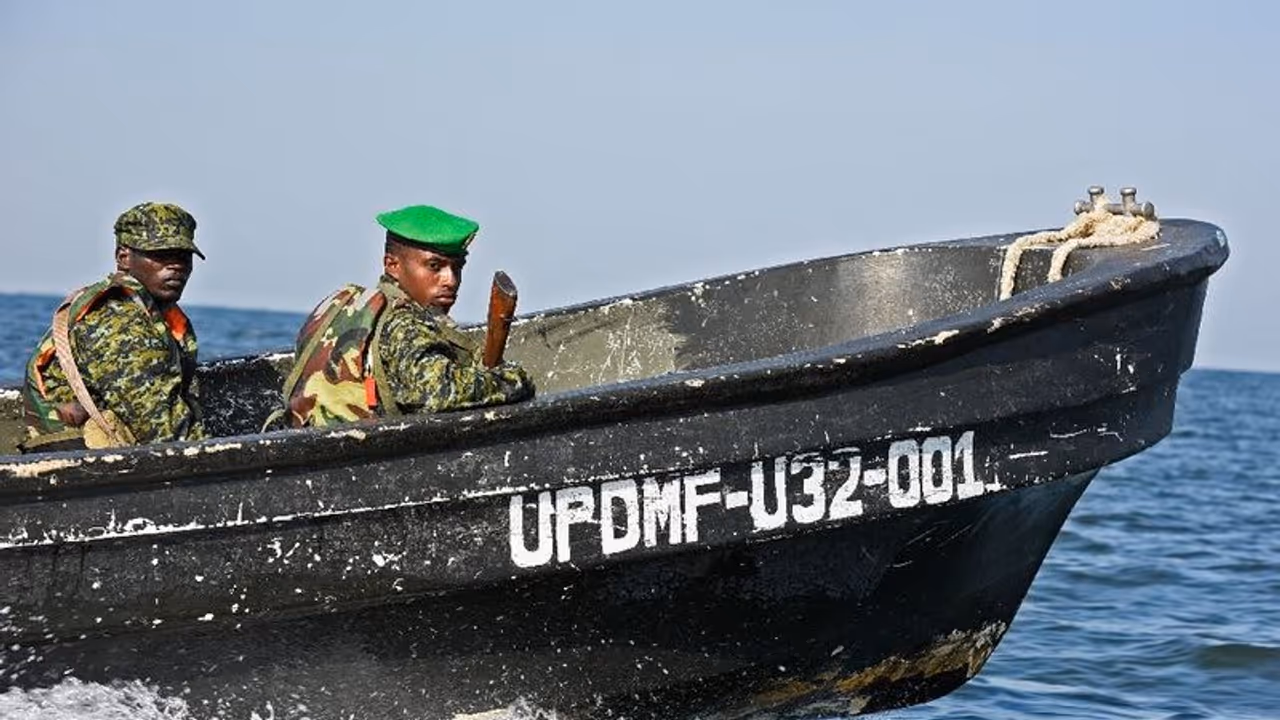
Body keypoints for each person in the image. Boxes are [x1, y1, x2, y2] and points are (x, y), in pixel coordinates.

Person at [281, 204, 534, 428]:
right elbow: (438, 392)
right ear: (392, 265)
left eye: (457, 267)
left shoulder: (348, 304)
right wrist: (510, 381)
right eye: (434, 266)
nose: (451, 280)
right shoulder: (404, 323)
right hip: (368, 457)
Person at [20, 202, 207, 452]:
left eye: (183, 257)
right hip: (79, 468)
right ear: (124, 258)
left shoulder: (149, 311)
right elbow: (164, 434)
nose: (176, 266)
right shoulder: (119, 323)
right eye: (161, 255)